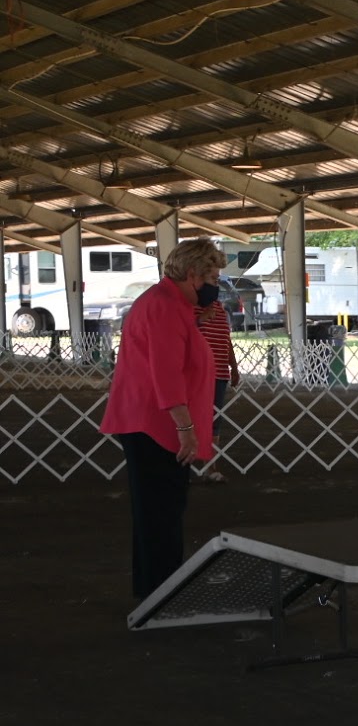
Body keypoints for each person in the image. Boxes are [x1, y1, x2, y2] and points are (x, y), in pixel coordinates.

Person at [100, 238, 226, 600]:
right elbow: (167, 375)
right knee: (161, 514)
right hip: (154, 425)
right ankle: (162, 594)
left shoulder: (168, 303)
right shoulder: (165, 307)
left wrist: (196, 321)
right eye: (212, 277)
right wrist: (186, 430)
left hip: (150, 423)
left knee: (159, 511)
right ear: (192, 275)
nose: (215, 286)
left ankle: (155, 590)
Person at [193, 280, 239, 483]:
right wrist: (199, 320)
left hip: (220, 373)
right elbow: (179, 334)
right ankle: (183, 466)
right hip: (196, 374)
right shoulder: (189, 309)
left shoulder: (221, 310)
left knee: (214, 422)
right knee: (191, 420)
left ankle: (210, 467)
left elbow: (226, 340)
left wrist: (234, 367)